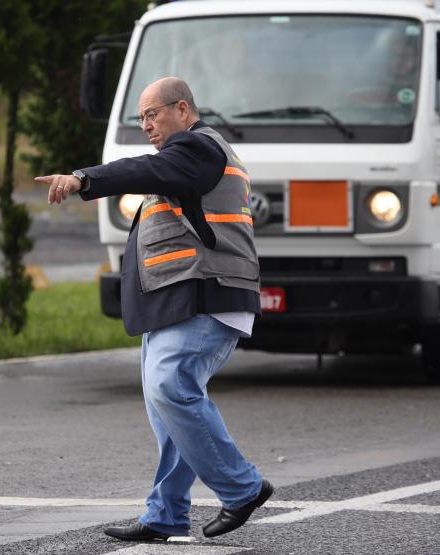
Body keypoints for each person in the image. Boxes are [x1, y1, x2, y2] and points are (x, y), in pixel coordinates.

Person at [35, 76, 272, 541]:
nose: (145, 125)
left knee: (170, 388)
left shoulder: (198, 148)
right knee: (169, 411)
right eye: (140, 117)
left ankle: (241, 488)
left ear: (182, 110)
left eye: (152, 114)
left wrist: (83, 178)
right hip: (178, 299)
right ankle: (165, 514)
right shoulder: (184, 160)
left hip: (206, 294)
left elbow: (142, 169)